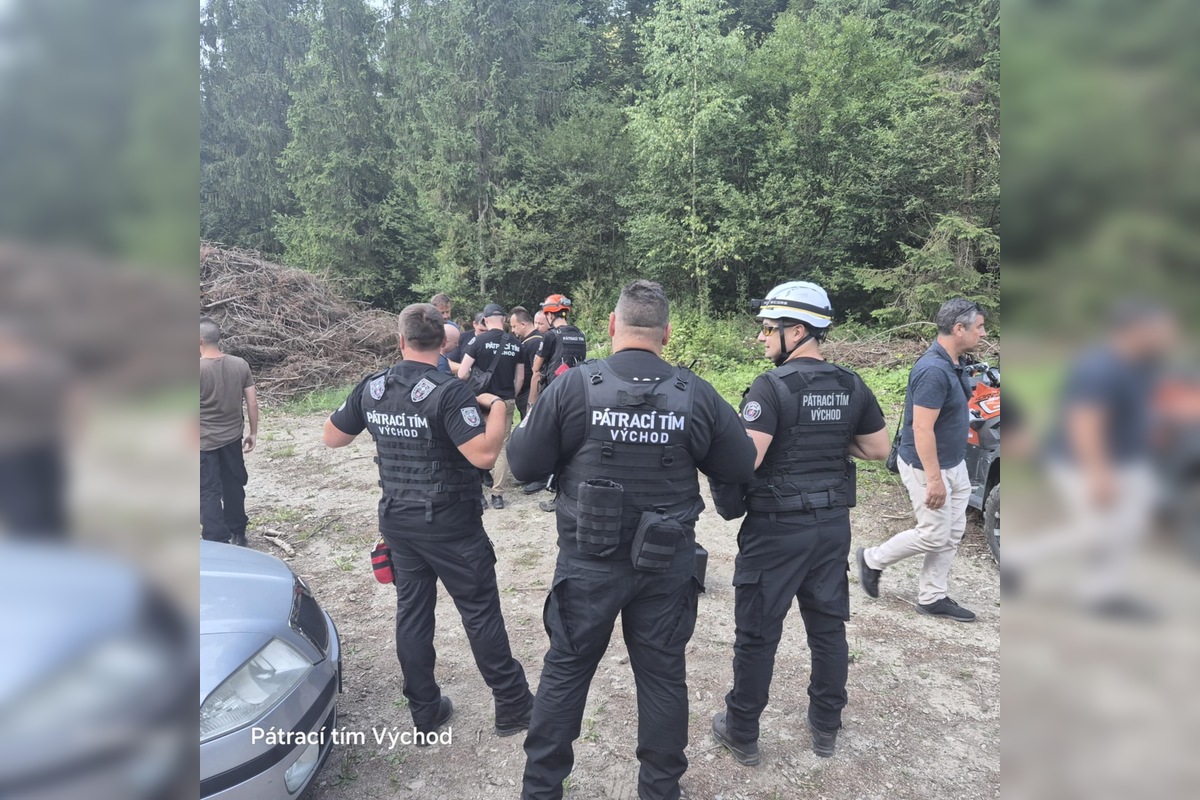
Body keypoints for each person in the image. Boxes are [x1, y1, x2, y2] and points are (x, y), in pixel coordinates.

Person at [508, 280, 757, 800]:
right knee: (663, 677)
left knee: (567, 671)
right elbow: (737, 465)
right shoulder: (696, 393)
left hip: (587, 564)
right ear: (666, 334)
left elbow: (525, 464)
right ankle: (661, 791)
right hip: (665, 568)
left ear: (612, 327)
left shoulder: (574, 386)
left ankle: (541, 790)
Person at [322, 303, 534, 739]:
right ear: (443, 344)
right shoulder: (450, 391)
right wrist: (496, 408)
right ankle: (512, 705)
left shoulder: (373, 387)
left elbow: (332, 437)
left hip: (399, 522)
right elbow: (484, 455)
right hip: (452, 525)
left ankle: (425, 711)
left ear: (400, 341)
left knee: (413, 614)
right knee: (479, 613)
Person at [709, 282, 890, 767]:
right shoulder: (852, 384)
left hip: (776, 529)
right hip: (831, 526)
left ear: (797, 330)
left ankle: (742, 729)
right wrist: (829, 438)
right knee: (828, 629)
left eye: (769, 329)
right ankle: (826, 725)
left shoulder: (771, 388)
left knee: (758, 633)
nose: (763, 338)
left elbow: (747, 461)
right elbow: (877, 449)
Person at [1008, 301, 1176, 617]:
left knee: (1130, 526)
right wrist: (1097, 473)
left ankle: (1104, 593)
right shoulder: (1099, 367)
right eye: (1162, 329)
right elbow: (1085, 422)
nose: (1169, 335)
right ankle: (1017, 559)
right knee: (1096, 531)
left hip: (1131, 461)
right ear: (1137, 330)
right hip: (1084, 462)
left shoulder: (1143, 364)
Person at [856, 298, 988, 622]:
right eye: (980, 327)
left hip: (953, 462)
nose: (984, 333)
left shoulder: (955, 362)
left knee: (952, 532)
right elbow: (922, 429)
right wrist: (934, 479)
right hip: (927, 466)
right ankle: (872, 559)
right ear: (959, 329)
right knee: (934, 533)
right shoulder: (932, 370)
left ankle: (932, 596)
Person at [200, 316, 259, 547]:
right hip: (232, 439)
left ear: (200, 340)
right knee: (233, 485)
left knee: (208, 490)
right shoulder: (240, 364)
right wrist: (253, 433)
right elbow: (252, 403)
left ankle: (216, 541)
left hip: (203, 442)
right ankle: (239, 532)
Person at [458, 303, 524, 509]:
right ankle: (498, 495)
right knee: (502, 446)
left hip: (481, 400)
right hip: (505, 401)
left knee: (477, 443)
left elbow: (462, 373)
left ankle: (478, 494)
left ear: (486, 321)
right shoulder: (516, 343)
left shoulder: (478, 341)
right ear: (503, 320)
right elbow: (520, 377)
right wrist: (510, 394)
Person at [526, 294, 587, 411]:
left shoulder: (551, 335)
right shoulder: (580, 334)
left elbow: (536, 367)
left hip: (555, 392)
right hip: (577, 389)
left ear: (549, 314)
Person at [432, 293, 465, 373]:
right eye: (442, 313)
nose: (446, 316)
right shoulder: (427, 329)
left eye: (448, 312)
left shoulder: (455, 328)